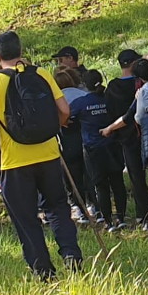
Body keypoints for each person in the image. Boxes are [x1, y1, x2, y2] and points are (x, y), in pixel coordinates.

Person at [0, 31, 81, 280]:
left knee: (26, 217)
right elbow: (64, 110)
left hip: (15, 162)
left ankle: (43, 271)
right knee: (58, 207)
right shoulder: (41, 74)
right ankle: (71, 253)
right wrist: (52, 129)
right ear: (21, 50)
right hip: (49, 154)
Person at [71, 70, 130, 231]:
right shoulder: (108, 99)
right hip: (113, 146)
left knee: (100, 185)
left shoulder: (81, 103)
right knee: (118, 182)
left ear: (85, 85)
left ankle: (108, 221)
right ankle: (121, 217)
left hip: (93, 150)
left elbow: (67, 116)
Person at [104, 49, 148, 227]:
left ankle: (145, 214)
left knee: (137, 178)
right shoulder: (141, 84)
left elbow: (110, 112)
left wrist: (112, 130)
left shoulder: (112, 87)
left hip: (126, 138)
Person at [54, 67, 95, 218]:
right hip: (84, 137)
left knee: (72, 174)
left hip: (67, 140)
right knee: (88, 173)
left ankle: (78, 205)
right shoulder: (83, 94)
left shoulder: (56, 98)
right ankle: (93, 204)